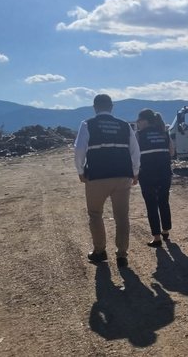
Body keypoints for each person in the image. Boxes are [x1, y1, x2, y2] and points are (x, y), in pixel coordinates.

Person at [74, 94, 140, 268]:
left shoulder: (87, 124)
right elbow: (135, 151)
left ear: (95, 107)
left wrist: (80, 171)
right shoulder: (125, 125)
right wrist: (135, 172)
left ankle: (100, 251)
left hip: (97, 176)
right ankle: (122, 255)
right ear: (112, 106)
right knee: (122, 216)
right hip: (122, 176)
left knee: (95, 214)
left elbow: (79, 149)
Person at [135, 109, 174, 247]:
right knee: (164, 201)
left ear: (145, 121)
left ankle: (156, 237)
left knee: (151, 204)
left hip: (147, 173)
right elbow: (172, 151)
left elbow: (134, 155)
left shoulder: (139, 135)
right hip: (164, 172)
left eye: (138, 121)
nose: (137, 124)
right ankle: (166, 230)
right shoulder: (164, 133)